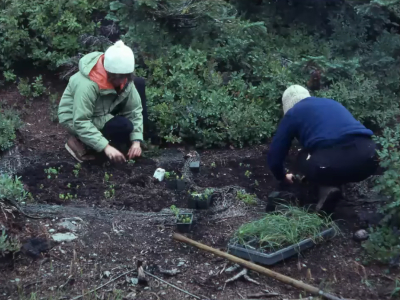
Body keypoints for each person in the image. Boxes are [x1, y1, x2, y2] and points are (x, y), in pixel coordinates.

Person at [267, 85, 379, 212]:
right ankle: (336, 186)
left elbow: (274, 156)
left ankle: (325, 190)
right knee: (334, 155)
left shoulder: (293, 113)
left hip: (329, 164)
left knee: (303, 157)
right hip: (370, 156)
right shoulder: (331, 103)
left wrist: (282, 176)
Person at [58, 40, 146, 163]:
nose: (121, 81)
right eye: (117, 78)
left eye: (124, 77)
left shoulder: (124, 78)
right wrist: (106, 147)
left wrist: (136, 141)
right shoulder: (87, 85)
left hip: (102, 109)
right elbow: (81, 121)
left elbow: (134, 110)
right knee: (123, 125)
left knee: (139, 84)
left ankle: (125, 143)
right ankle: (80, 143)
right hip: (73, 117)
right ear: (108, 72)